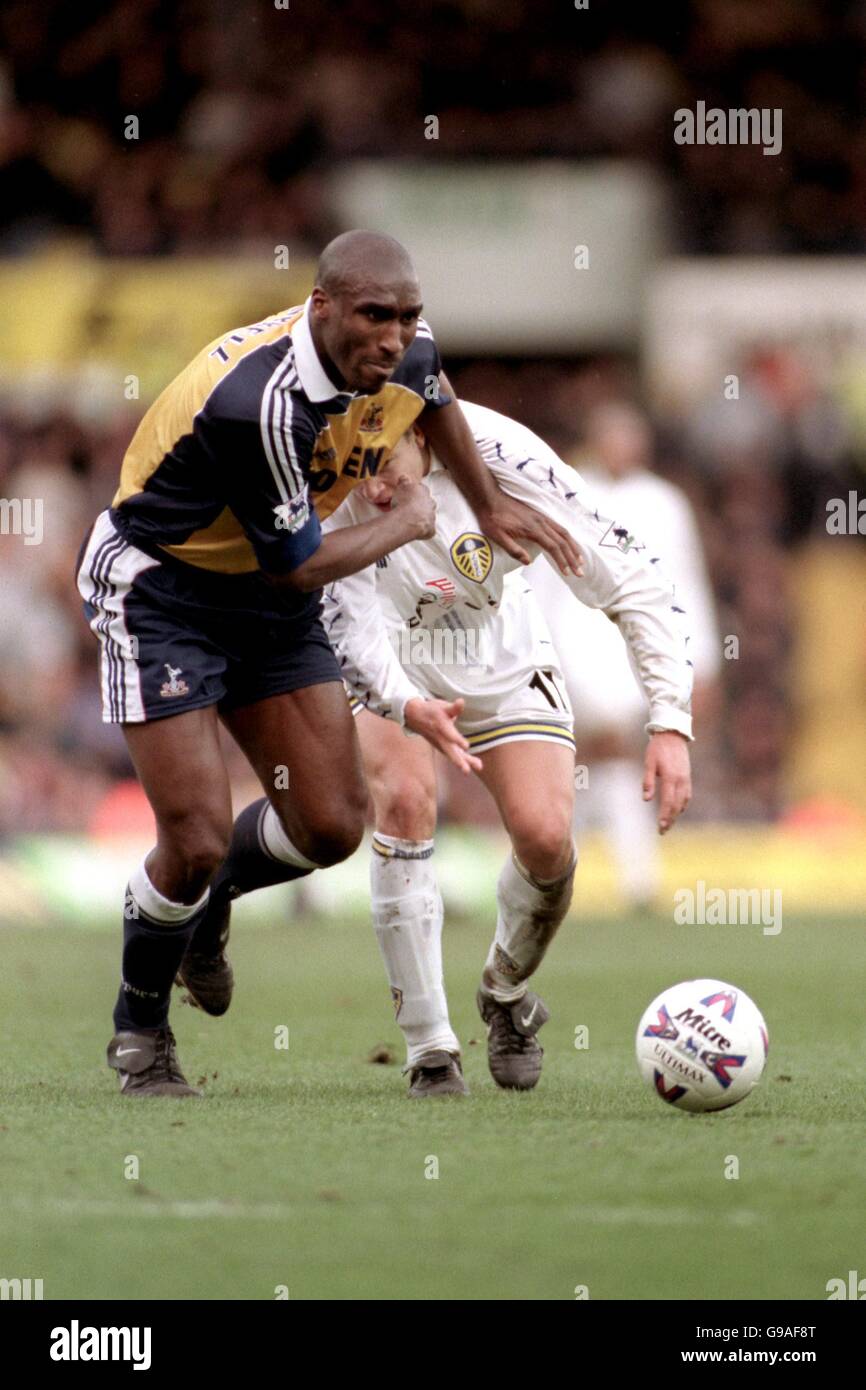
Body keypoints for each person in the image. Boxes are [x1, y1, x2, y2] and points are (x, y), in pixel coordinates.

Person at [76, 231, 582, 1099]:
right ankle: (141, 1028)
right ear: (322, 308)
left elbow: (436, 394)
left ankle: (214, 904)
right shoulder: (261, 403)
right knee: (192, 838)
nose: (394, 336)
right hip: (165, 590)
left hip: (265, 599)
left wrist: (489, 504)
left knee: (332, 826)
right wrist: (412, 517)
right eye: (374, 316)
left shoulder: (407, 353)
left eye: (408, 316)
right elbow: (300, 563)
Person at [229, 400, 689, 1097]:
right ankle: (431, 1048)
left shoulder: (511, 458)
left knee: (543, 838)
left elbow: (632, 577)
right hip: (391, 656)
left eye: (383, 463)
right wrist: (405, 704)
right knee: (406, 801)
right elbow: (351, 622)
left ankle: (504, 992)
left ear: (421, 433)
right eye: (361, 467)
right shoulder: (333, 469)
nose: (372, 486)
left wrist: (670, 721)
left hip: (498, 653)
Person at [528, 401, 720, 908]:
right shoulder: (566, 492)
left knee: (611, 765)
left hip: (636, 653)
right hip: (572, 649)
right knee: (582, 760)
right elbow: (540, 584)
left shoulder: (664, 503)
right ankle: (597, 875)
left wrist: (700, 661)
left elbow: (685, 585)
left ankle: (583, 877)